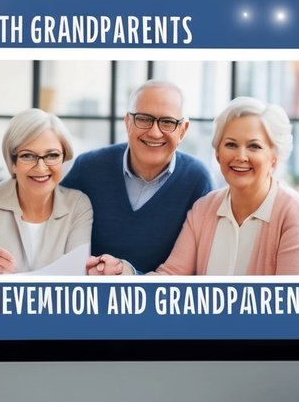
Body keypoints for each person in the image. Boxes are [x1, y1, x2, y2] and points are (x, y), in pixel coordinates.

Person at [151, 96, 299, 276]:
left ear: (274, 157)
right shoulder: (203, 209)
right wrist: (125, 274)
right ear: (218, 154)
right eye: (231, 144)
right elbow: (171, 278)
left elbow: (296, 300)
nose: (241, 156)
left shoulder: (297, 214)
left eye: (254, 146)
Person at [61, 80, 213, 275]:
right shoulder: (88, 167)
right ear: (127, 122)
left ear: (182, 130)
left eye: (167, 122)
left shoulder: (197, 181)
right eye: (144, 119)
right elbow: (50, 226)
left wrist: (128, 275)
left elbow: (197, 272)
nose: (155, 132)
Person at [0, 109, 92, 275]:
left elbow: (77, 277)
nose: (41, 168)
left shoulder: (78, 205)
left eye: (52, 155)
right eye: (28, 156)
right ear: (13, 162)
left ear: (64, 158)